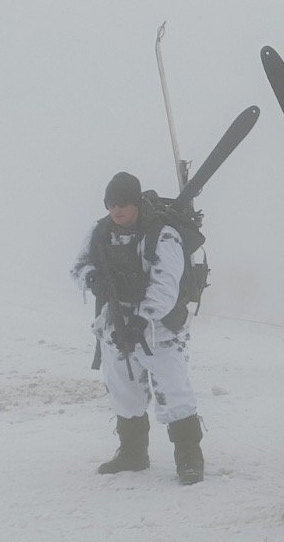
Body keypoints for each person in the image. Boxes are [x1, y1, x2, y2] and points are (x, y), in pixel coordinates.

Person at [71, 172, 205, 485]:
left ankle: (189, 456)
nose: (117, 210)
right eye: (111, 204)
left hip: (159, 327)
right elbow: (77, 266)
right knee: (123, 389)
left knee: (173, 390)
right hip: (115, 322)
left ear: (136, 203)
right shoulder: (99, 232)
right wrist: (93, 277)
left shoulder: (162, 234)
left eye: (124, 203)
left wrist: (142, 319)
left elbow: (166, 285)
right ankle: (133, 452)